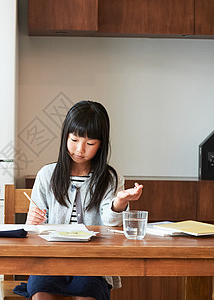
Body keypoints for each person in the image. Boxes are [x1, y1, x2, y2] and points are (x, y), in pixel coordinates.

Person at [13, 100, 143, 300]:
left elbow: (111, 224)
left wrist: (119, 202)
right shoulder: (47, 175)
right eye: (74, 140)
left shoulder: (110, 178)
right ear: (65, 136)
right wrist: (31, 224)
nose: (80, 149)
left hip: (93, 263)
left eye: (90, 143)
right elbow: (33, 233)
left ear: (101, 145)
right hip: (50, 262)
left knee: (87, 293)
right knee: (42, 293)